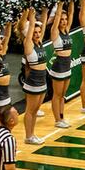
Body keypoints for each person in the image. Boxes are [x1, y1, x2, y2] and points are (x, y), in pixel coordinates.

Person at [18, 8, 48, 145]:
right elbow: (30, 28)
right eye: (34, 32)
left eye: (38, 32)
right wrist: (31, 14)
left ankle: (32, 134)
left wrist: (46, 11)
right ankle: (28, 136)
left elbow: (45, 23)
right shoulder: (28, 44)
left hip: (42, 80)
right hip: (33, 81)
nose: (37, 34)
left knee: (35, 110)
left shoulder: (40, 42)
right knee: (30, 110)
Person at [48, 1, 74, 128]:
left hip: (67, 65)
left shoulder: (67, 30)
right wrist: (60, 4)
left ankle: (62, 116)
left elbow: (72, 13)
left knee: (63, 95)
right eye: (62, 19)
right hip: (59, 66)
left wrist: (72, 0)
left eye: (65, 19)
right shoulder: (55, 32)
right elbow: (57, 16)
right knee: (57, 95)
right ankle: (57, 119)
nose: (63, 21)